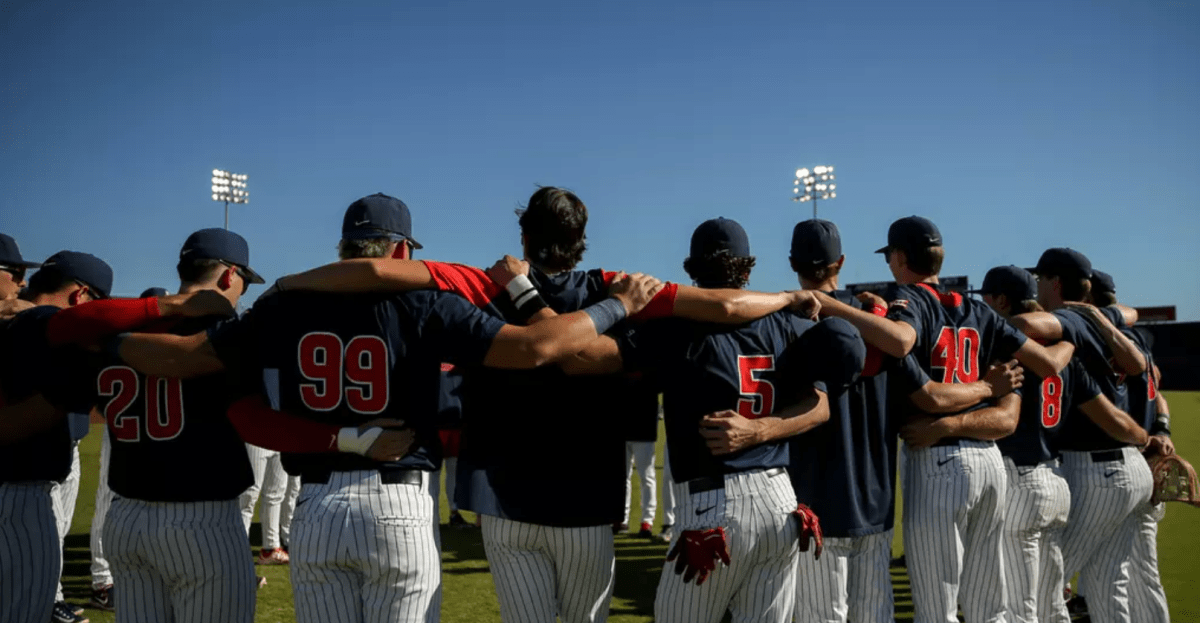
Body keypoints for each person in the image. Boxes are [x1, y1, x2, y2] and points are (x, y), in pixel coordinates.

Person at [267, 188, 820, 623]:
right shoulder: (614, 286)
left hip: (503, 499)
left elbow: (373, 270)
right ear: (582, 239)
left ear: (524, 235)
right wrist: (789, 298)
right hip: (585, 497)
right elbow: (725, 304)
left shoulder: (482, 284)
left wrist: (289, 283)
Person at [560, 217, 848, 623]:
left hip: (714, 505)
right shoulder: (787, 321)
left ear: (691, 270)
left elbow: (578, 358)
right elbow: (820, 406)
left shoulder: (677, 328)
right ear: (748, 268)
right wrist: (765, 429)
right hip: (782, 501)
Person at [813, 217, 1075, 623]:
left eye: (891, 257)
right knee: (991, 608)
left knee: (938, 610)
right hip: (991, 462)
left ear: (900, 257)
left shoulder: (910, 299)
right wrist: (1078, 335)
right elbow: (1047, 364)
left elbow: (915, 370)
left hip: (938, 462)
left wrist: (834, 305)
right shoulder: (975, 308)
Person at [974, 265, 1148, 623]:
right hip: (1056, 482)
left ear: (1003, 301)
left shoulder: (1004, 351)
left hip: (1020, 480)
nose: (985, 306)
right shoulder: (1070, 355)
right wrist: (1150, 438)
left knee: (1020, 606)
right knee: (1051, 605)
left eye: (988, 299)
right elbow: (1110, 416)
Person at [0, 251, 112, 623]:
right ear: (81, 296)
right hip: (22, 484)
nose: (20, 282)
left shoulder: (20, 320)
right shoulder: (40, 325)